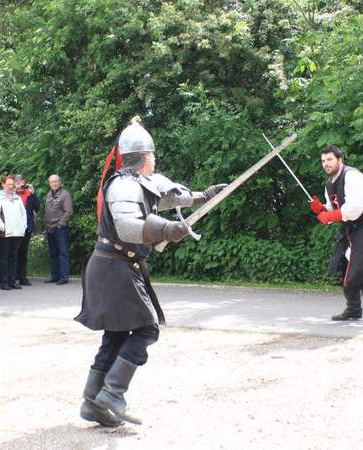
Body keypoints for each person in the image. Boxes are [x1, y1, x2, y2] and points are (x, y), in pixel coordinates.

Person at [74, 116, 226, 427]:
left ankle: (92, 404)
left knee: (115, 336)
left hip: (116, 266)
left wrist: (206, 195)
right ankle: (113, 393)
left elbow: (172, 197)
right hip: (114, 266)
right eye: (152, 155)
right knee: (147, 329)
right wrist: (169, 229)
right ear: (145, 157)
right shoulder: (122, 186)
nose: (155, 160)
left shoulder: (142, 182)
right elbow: (130, 227)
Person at [309, 145, 363, 328]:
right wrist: (321, 208)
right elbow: (333, 208)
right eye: (323, 161)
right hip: (351, 228)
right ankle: (353, 309)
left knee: (360, 269)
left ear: (340, 160)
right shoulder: (330, 184)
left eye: (329, 160)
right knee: (343, 266)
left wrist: (329, 216)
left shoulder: (352, 176)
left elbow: (354, 208)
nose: (326, 164)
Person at [0, 176, 27, 290]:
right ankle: (4, 281)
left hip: (17, 232)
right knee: (4, 257)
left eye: (12, 184)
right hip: (5, 233)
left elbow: (23, 213)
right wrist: (2, 227)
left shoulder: (17, 198)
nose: (11, 186)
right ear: (3, 185)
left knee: (14, 256)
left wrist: (23, 226)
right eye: (9, 184)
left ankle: (12, 280)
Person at [44, 174, 73, 285]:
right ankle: (55, 276)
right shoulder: (49, 195)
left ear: (60, 182)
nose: (54, 183)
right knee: (53, 253)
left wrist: (60, 225)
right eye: (52, 182)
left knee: (62, 253)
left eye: (56, 181)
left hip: (60, 228)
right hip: (50, 228)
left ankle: (64, 277)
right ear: (49, 183)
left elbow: (68, 211)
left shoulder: (65, 194)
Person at [14, 175, 40, 286]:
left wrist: (33, 193)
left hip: (26, 226)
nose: (20, 184)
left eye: (22, 182)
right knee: (14, 252)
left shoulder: (29, 194)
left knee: (23, 253)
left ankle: (22, 277)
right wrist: (15, 191)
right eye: (18, 182)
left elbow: (37, 207)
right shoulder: (12, 194)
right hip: (14, 227)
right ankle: (13, 276)